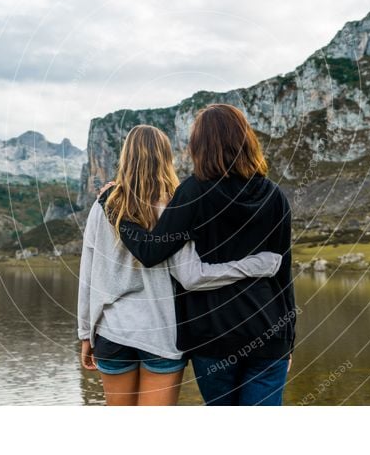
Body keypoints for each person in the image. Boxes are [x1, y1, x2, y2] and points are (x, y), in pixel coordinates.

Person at [77, 124, 282, 406]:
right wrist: (258, 265)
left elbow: (87, 274)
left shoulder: (104, 205)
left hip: (111, 332)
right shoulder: (178, 206)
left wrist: (85, 332)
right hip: (162, 334)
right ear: (166, 158)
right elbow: (191, 276)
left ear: (125, 157)